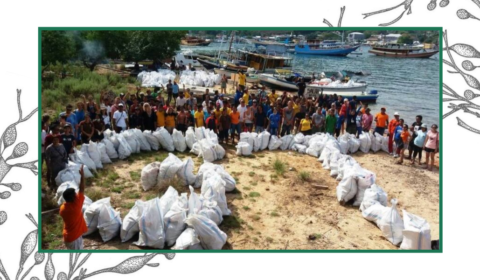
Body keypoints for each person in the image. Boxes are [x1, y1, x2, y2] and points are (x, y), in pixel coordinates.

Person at [59, 165, 88, 250]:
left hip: (68, 237)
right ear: (72, 198)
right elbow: (82, 189)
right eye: (74, 194)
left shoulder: (63, 208)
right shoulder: (76, 206)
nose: (76, 195)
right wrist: (82, 176)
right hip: (74, 238)